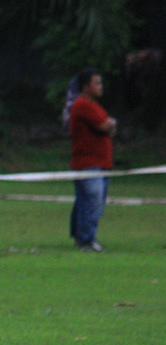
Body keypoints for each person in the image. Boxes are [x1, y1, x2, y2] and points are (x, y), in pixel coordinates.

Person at [69, 68, 116, 252]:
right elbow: (106, 126)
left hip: (101, 164)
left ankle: (81, 236)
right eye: (97, 83)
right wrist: (109, 125)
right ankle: (86, 240)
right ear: (86, 86)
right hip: (89, 164)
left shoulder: (95, 106)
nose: (100, 86)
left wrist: (110, 126)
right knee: (92, 202)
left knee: (87, 201)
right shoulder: (82, 105)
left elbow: (110, 128)